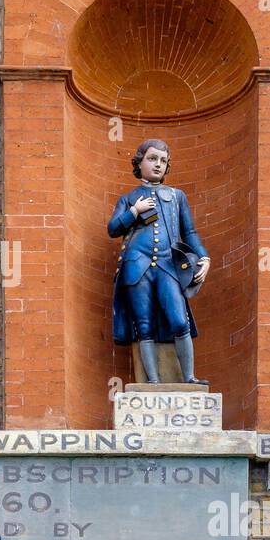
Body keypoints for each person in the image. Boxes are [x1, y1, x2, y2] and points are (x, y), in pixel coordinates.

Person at [108, 138, 211, 384]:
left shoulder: (177, 196)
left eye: (163, 161)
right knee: (143, 326)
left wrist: (204, 257)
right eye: (152, 159)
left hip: (168, 264)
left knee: (178, 319)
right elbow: (112, 228)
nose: (158, 165)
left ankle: (189, 377)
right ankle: (151, 382)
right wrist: (134, 211)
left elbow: (190, 232)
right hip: (137, 265)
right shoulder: (130, 197)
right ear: (139, 162)